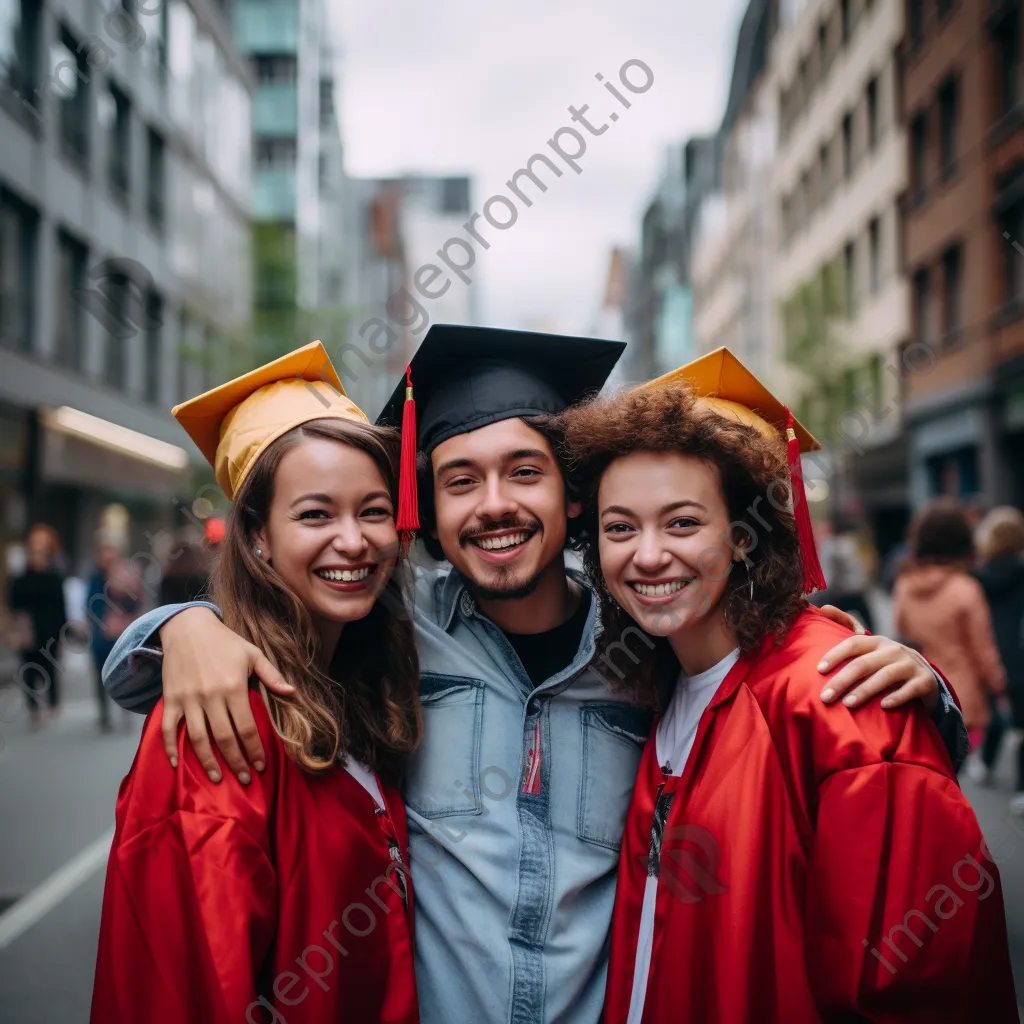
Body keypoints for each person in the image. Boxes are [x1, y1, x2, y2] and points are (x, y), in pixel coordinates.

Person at [100, 327, 963, 1024]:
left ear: (573, 496)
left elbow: (763, 671)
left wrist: (923, 686)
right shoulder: (395, 643)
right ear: (427, 513)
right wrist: (182, 626)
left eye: (525, 472)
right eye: (459, 481)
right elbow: (284, 625)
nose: (496, 505)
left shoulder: (651, 646)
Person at [560, 349, 1017, 1023]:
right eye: (619, 527)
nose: (648, 554)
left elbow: (915, 988)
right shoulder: (660, 686)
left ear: (743, 536)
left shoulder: (838, 697)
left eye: (683, 522)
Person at [91, 342, 421, 1024]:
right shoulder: (220, 727)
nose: (354, 541)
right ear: (257, 536)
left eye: (373, 510)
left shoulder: (360, 684)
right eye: (315, 514)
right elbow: (188, 989)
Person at [893, 499, 1007, 754]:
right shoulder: (966, 589)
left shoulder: (904, 585)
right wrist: (1000, 686)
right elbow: (983, 650)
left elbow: (901, 636)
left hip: (919, 692)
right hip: (960, 699)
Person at [974, 506, 1024, 814]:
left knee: (993, 713)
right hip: (1019, 655)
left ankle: (985, 763)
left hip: (987, 655)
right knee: (1021, 723)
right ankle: (1021, 788)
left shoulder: (976, 578)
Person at [8, 524, 67, 727]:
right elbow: (13, 604)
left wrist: (62, 632)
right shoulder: (20, 579)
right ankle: (33, 709)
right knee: (28, 671)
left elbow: (61, 607)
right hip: (27, 632)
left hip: (49, 631)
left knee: (49, 668)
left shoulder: (54, 578)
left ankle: (52, 704)